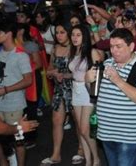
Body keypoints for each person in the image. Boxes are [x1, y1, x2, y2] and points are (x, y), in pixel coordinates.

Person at [86, 28, 136, 166]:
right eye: (111, 46)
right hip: (107, 133)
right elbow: (96, 94)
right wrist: (88, 81)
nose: (114, 50)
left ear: (131, 47)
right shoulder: (107, 63)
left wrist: (118, 80)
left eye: (119, 46)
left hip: (131, 136)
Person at [0, 21, 33, 166]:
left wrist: (6, 89)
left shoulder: (21, 55)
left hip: (15, 103)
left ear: (9, 34)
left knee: (18, 139)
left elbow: (28, 80)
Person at [68, 25, 104, 166]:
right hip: (75, 90)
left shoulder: (92, 52)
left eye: (78, 35)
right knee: (80, 129)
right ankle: (88, 161)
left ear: (84, 37)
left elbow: (99, 74)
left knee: (84, 129)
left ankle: (96, 158)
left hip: (87, 91)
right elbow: (74, 73)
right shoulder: (73, 52)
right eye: (73, 35)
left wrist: (95, 94)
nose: (74, 38)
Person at [41, 24, 75, 165]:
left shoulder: (76, 48)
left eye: (62, 32)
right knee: (56, 122)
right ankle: (56, 154)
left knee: (79, 124)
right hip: (59, 89)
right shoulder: (55, 49)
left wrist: (65, 75)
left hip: (75, 89)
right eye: (57, 33)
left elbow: (82, 72)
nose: (59, 35)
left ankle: (81, 149)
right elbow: (49, 69)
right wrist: (53, 73)